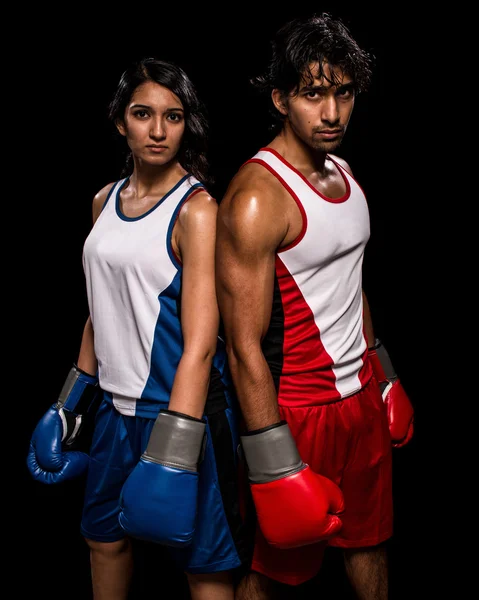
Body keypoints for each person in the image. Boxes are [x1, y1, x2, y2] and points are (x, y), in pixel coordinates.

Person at [27, 57, 249, 600]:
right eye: (143, 114)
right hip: (113, 413)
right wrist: (67, 404)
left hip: (181, 413)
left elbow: (201, 342)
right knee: (103, 541)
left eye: (172, 117)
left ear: (185, 124)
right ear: (120, 121)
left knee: (206, 568)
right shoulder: (104, 200)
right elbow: (101, 310)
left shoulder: (197, 209)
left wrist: (175, 446)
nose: (157, 130)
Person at [215, 13, 414, 600]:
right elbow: (242, 345)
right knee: (272, 570)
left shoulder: (346, 174)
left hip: (361, 401)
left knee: (370, 544)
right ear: (280, 98)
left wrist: (385, 377)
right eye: (312, 94)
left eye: (343, 92)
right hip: (299, 410)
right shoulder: (256, 198)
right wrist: (274, 460)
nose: (332, 114)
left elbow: (352, 285)